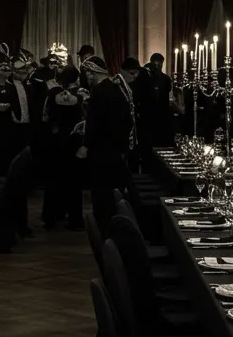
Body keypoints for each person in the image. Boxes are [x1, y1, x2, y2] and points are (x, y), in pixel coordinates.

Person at [83, 55, 139, 232]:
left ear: (91, 73)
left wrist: (85, 144)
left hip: (101, 151)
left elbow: (94, 123)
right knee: (112, 193)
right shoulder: (115, 88)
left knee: (101, 194)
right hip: (115, 149)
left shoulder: (99, 91)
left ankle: (104, 230)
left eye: (86, 73)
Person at [40, 66, 86, 230]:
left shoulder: (52, 93)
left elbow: (44, 116)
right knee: (74, 181)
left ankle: (51, 217)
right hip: (73, 140)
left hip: (55, 140)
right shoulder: (81, 95)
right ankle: (74, 219)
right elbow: (85, 118)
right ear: (77, 78)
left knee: (53, 179)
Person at [133, 53, 174, 166]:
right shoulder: (144, 78)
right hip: (147, 116)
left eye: (159, 66)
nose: (157, 68)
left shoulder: (166, 79)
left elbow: (166, 97)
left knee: (159, 145)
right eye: (155, 66)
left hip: (161, 116)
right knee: (147, 145)